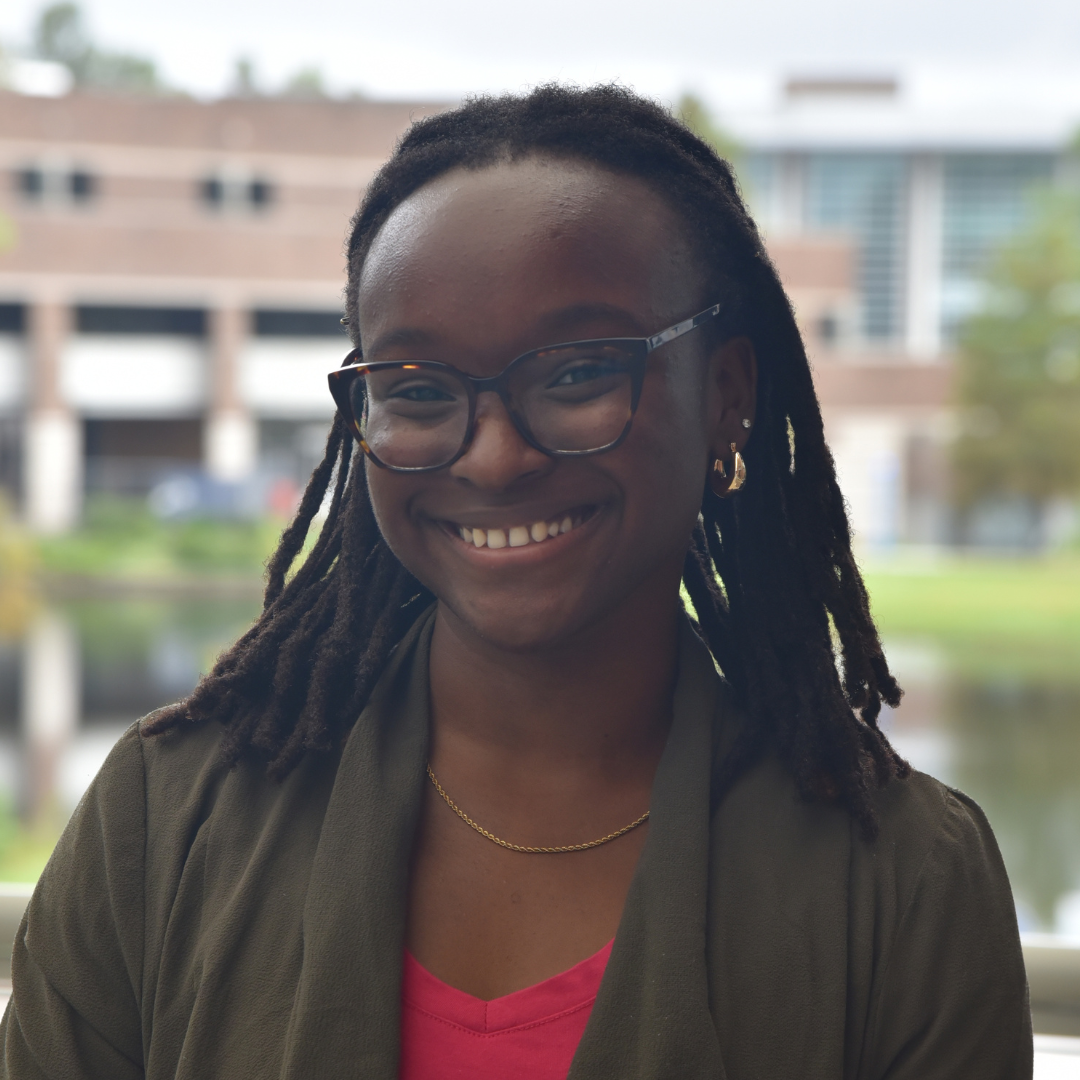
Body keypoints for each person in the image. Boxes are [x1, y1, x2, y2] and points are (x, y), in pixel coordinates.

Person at [1, 85, 1031, 1079]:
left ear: (726, 397)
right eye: (416, 387)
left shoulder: (902, 885)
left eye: (578, 371)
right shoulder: (166, 822)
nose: (493, 458)